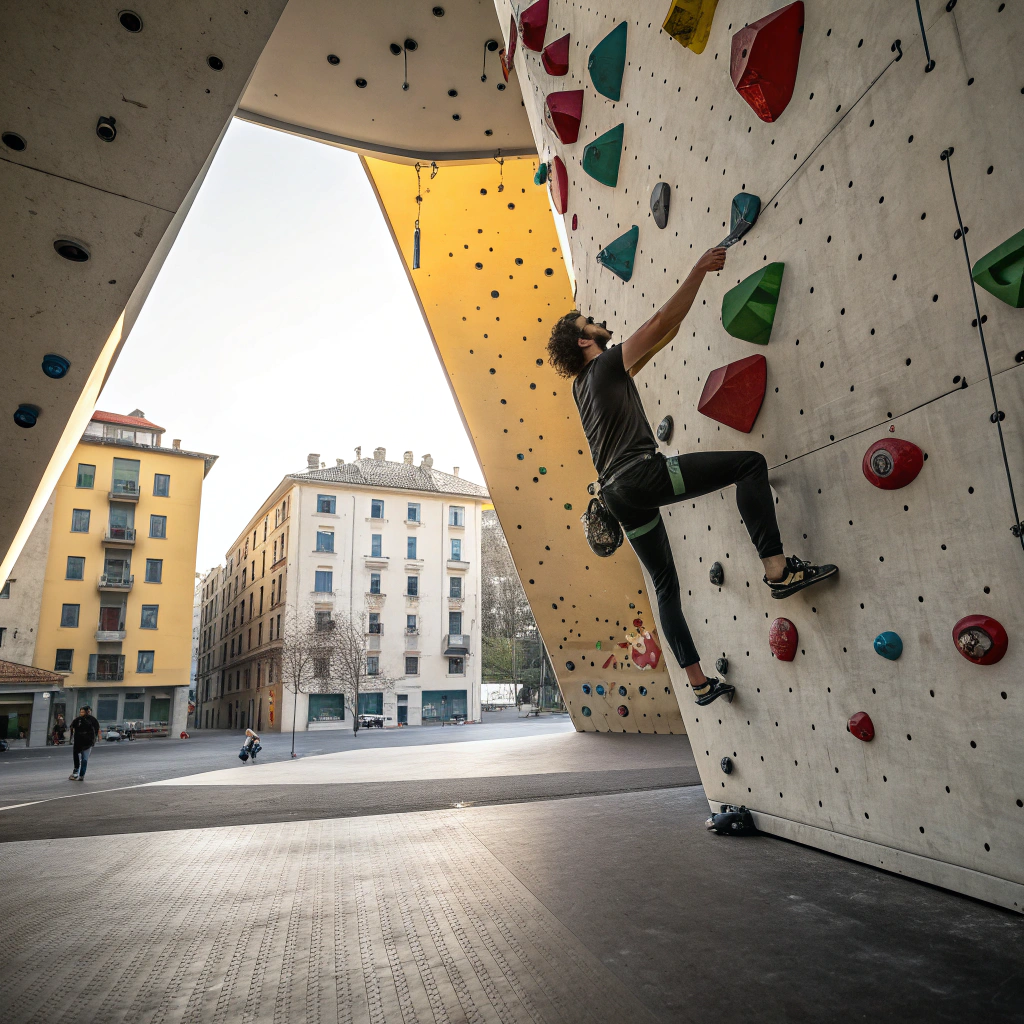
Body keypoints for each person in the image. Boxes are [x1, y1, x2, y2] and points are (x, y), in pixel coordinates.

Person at [547, 246, 837, 707]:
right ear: (584, 341)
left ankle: (700, 684)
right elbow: (659, 322)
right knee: (749, 465)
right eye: (589, 322)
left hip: (618, 497)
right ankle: (778, 571)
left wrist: (681, 309)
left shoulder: (583, 386)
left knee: (665, 586)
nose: (597, 320)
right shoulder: (604, 366)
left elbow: (666, 331)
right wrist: (699, 269)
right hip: (641, 476)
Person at [68, 706, 100, 780]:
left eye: (83, 712)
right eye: (81, 712)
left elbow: (96, 730)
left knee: (84, 759)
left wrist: (93, 740)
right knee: (76, 757)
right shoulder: (78, 720)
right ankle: (75, 773)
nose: (81, 713)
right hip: (78, 742)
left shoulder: (93, 720)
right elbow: (72, 727)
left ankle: (82, 774)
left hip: (88, 743)